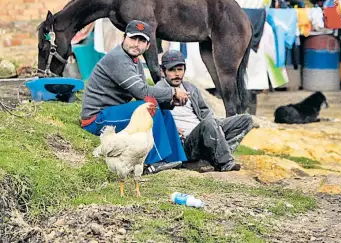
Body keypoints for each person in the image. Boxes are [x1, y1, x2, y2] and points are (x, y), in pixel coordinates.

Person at [81, 20, 189, 173]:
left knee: (160, 109)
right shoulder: (118, 58)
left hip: (112, 113)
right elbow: (142, 92)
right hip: (96, 119)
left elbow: (144, 96)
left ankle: (175, 159)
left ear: (148, 46)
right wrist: (173, 92)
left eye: (142, 40)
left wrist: (171, 102)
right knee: (150, 106)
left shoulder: (135, 61)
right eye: (133, 38)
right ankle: (153, 162)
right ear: (124, 38)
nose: (136, 44)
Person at [155, 50, 254, 172]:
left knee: (245, 120)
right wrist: (170, 128)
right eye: (172, 70)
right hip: (186, 142)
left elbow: (205, 112)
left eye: (180, 69)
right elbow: (154, 119)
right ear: (163, 71)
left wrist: (217, 126)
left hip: (204, 132)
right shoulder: (158, 90)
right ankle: (225, 163)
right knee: (209, 124)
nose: (176, 74)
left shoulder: (190, 88)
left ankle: (213, 157)